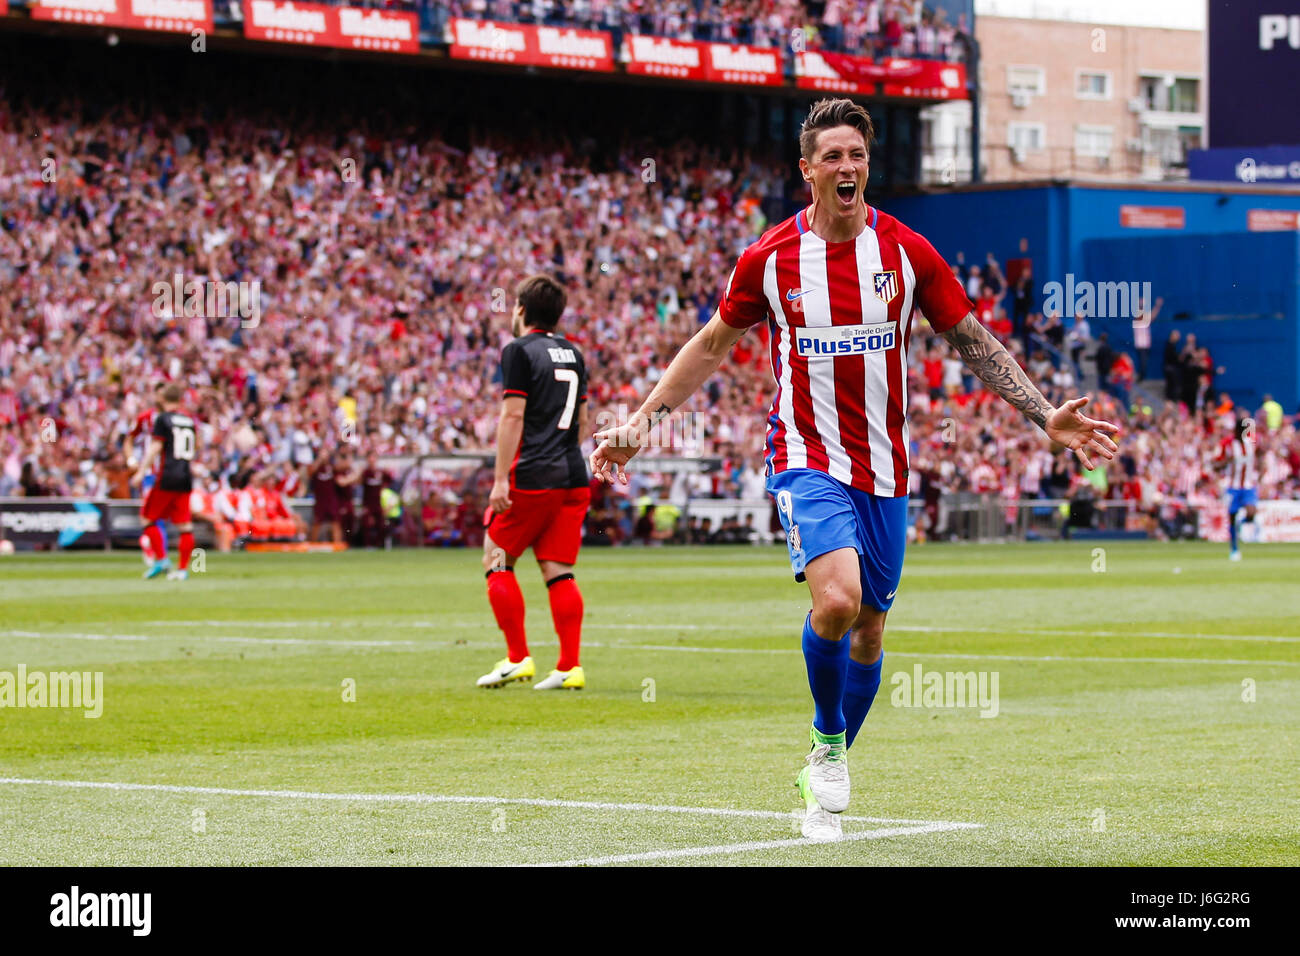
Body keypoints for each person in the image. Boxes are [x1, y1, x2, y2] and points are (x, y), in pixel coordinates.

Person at [589, 98, 1119, 842]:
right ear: (807, 169)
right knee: (836, 601)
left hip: (886, 467)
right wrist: (642, 423)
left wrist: (1042, 416)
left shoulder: (905, 253)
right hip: (806, 456)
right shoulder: (770, 259)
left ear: (868, 166)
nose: (847, 167)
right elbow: (712, 344)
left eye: (857, 155)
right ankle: (830, 749)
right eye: (832, 155)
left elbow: (970, 340)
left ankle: (822, 759)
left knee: (870, 630)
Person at [477, 275, 591, 692]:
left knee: (497, 559)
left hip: (534, 475)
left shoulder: (518, 351)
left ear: (521, 309)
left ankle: (516, 657)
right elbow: (580, 421)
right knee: (558, 568)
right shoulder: (573, 353)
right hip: (572, 475)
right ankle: (569, 666)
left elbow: (512, 416)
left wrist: (500, 479)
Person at [132, 383, 198, 581]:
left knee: (147, 517)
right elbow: (196, 446)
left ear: (163, 399)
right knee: (185, 526)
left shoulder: (163, 419)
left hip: (168, 475)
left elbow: (155, 448)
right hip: (185, 475)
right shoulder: (188, 420)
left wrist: (141, 472)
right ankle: (183, 570)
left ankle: (161, 559)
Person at [1218, 417, 1258, 561]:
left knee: (1251, 511)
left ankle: (1243, 524)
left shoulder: (1251, 444)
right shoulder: (1228, 444)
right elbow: (1217, 463)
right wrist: (1226, 462)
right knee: (1232, 518)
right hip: (1233, 487)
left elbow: (1258, 458)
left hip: (1248, 486)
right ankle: (1234, 549)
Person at [1162, 329, 1182, 402]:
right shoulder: (1169, 346)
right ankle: (1170, 400)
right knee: (1172, 385)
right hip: (1170, 369)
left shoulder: (1172, 346)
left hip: (1170, 368)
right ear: (1172, 336)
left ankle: (1171, 400)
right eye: (1177, 336)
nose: (1178, 338)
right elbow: (1173, 358)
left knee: (1172, 385)